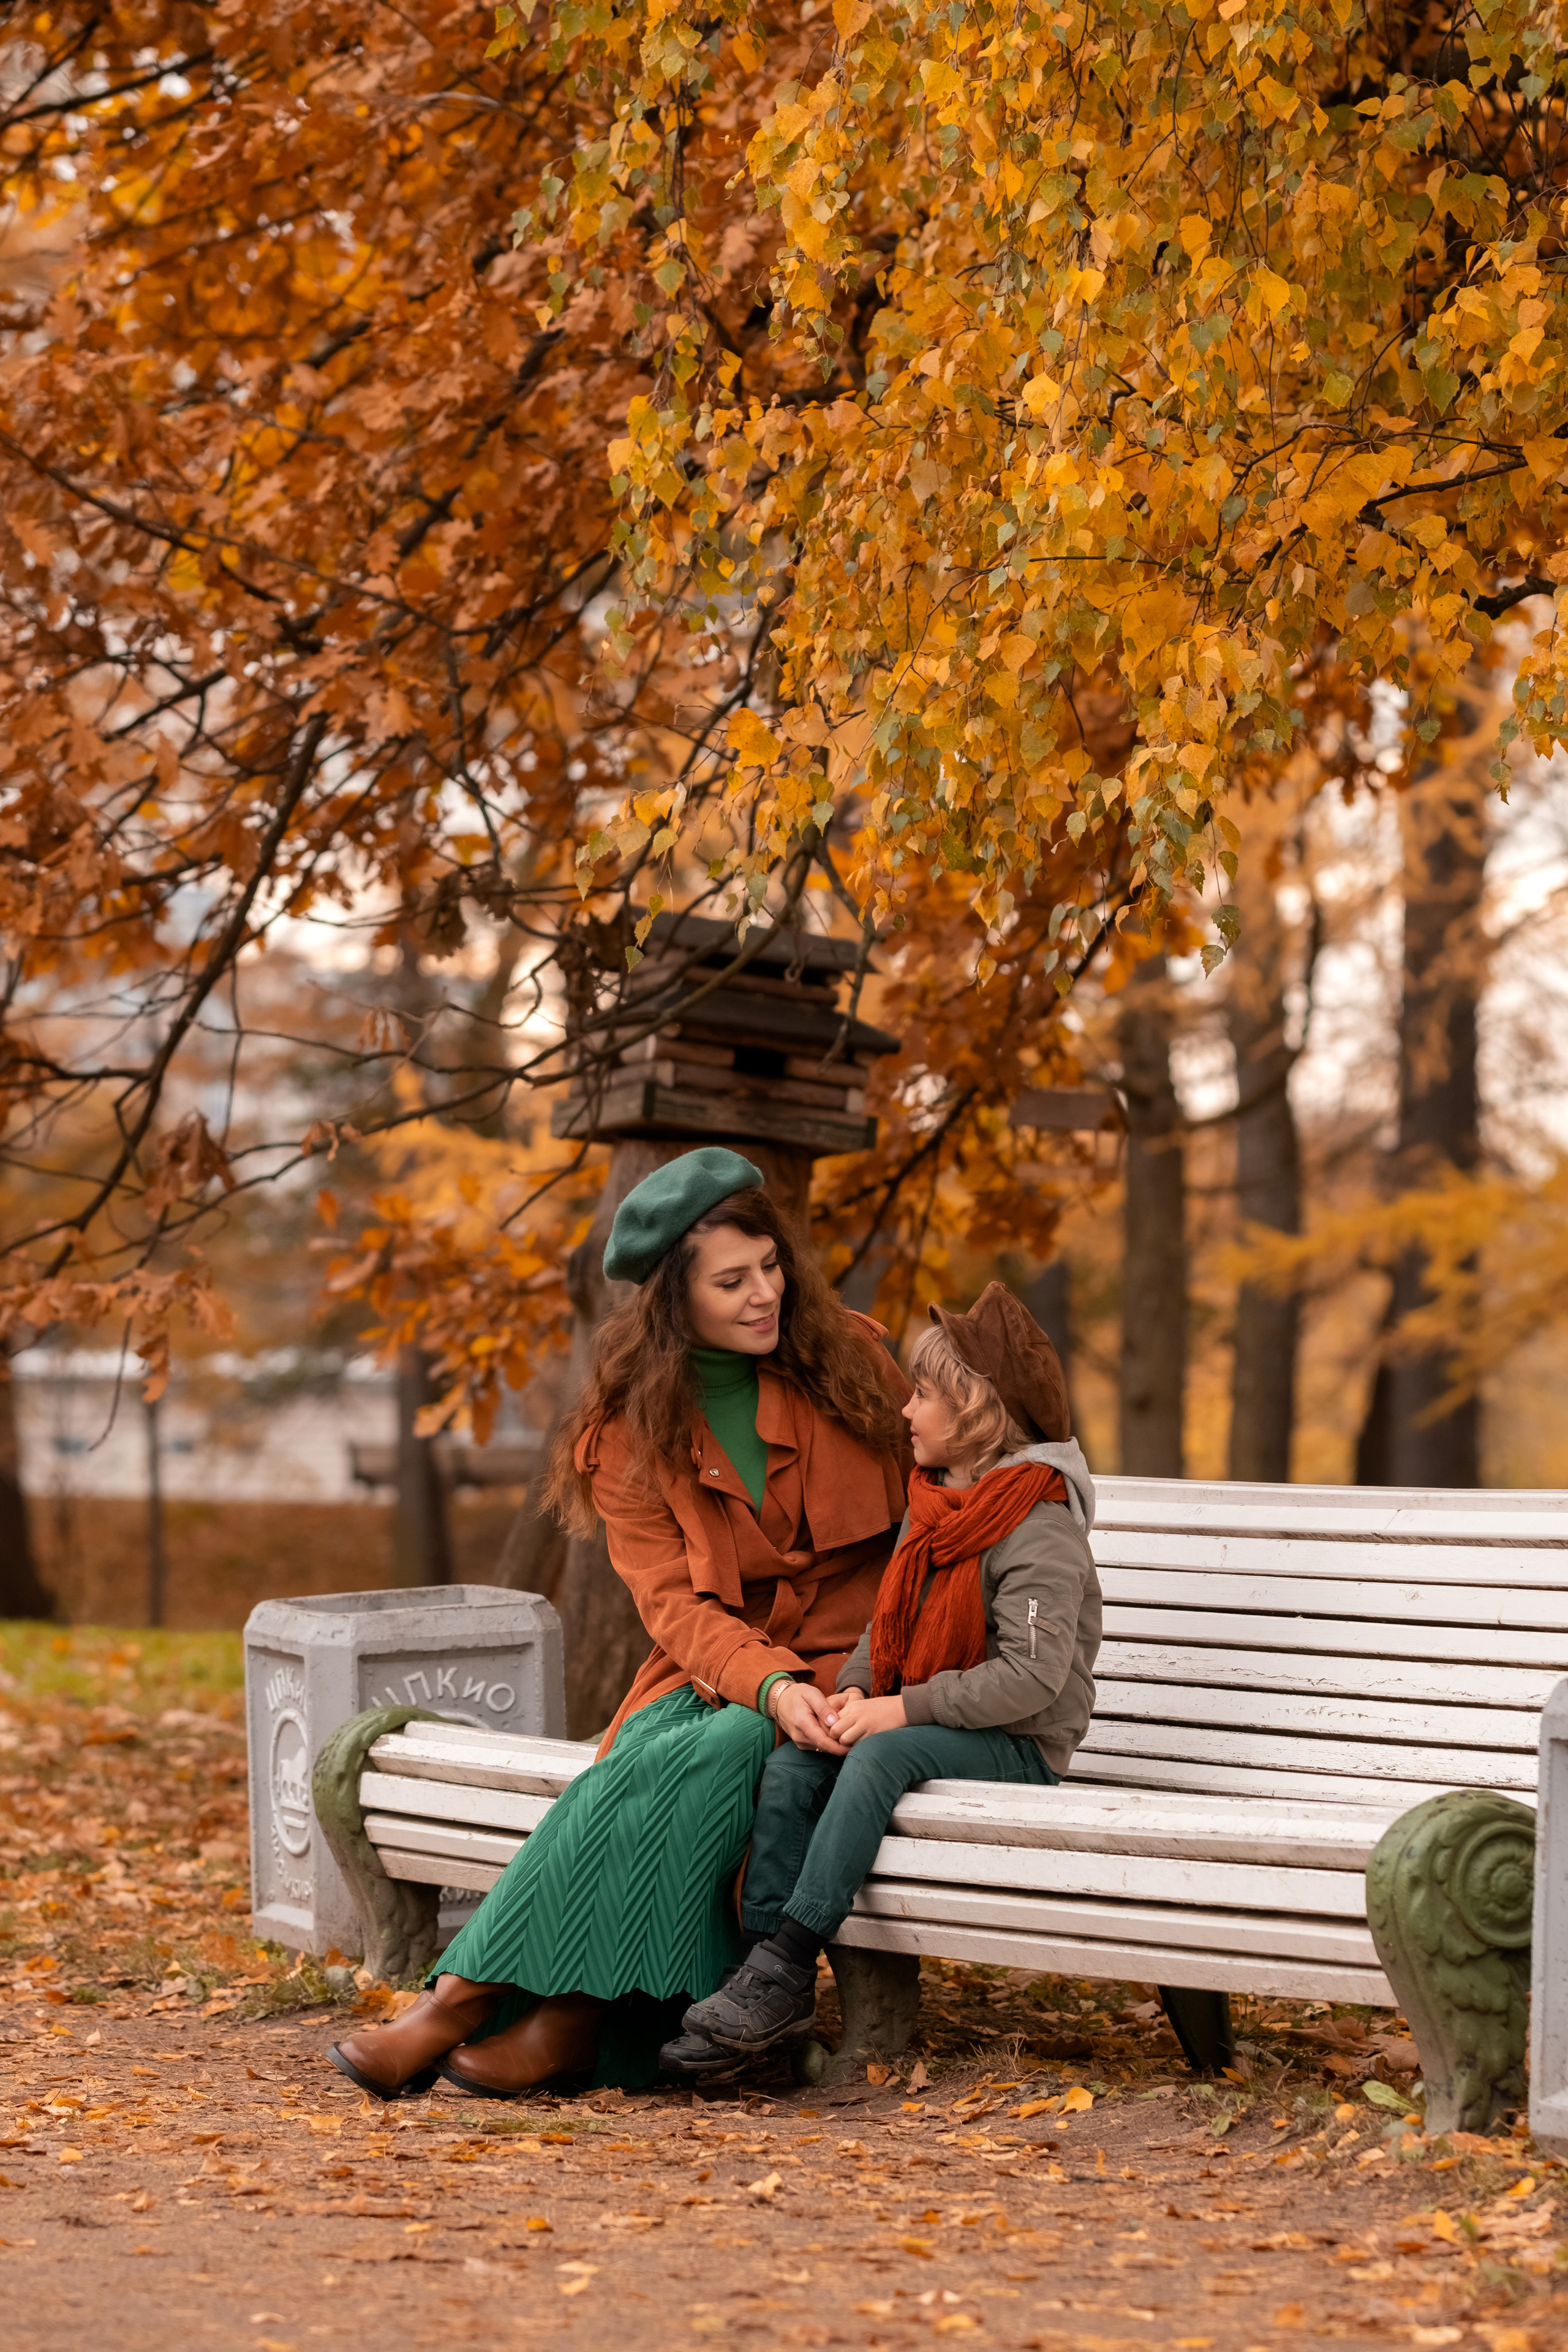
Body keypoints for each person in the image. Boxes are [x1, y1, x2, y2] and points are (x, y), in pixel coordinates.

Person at [328, 1145, 911, 2100]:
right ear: (672, 1302)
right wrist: (769, 1681)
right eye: (731, 1281)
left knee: (717, 1749)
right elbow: (674, 1608)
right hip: (723, 1669)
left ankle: (517, 2009)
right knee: (676, 1744)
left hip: (857, 1670)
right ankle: (508, 2009)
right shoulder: (628, 1434)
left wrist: (855, 1681)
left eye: (769, 1266)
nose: (764, 1293)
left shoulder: (856, 1362)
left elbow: (931, 1520)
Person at [675, 1281, 1100, 2059]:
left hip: (1019, 1748)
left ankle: (786, 1963)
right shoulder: (934, 1503)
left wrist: (899, 1713)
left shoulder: (1038, 1528)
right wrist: (859, 1690)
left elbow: (1031, 1681)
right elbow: (886, 1624)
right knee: (803, 1757)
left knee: (880, 1750)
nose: (906, 1410)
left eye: (926, 1396)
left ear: (975, 1414)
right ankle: (764, 1977)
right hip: (937, 1726)